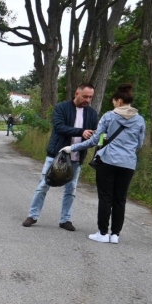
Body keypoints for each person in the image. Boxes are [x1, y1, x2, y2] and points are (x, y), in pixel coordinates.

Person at [60, 83, 145, 244]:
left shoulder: (109, 116)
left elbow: (93, 140)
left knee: (105, 197)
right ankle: (115, 235)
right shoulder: (140, 120)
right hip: (128, 164)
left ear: (119, 101)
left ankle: (103, 233)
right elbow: (140, 144)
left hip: (108, 161)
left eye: (114, 102)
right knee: (120, 199)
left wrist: (72, 147)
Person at [21, 83, 98, 231]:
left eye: (90, 97)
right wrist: (81, 132)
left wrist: (93, 134)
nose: (87, 100)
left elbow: (95, 131)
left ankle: (65, 220)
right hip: (56, 155)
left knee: (71, 190)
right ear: (76, 94)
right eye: (85, 96)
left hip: (77, 158)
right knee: (43, 186)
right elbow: (59, 127)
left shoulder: (92, 113)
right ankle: (32, 215)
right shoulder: (61, 108)